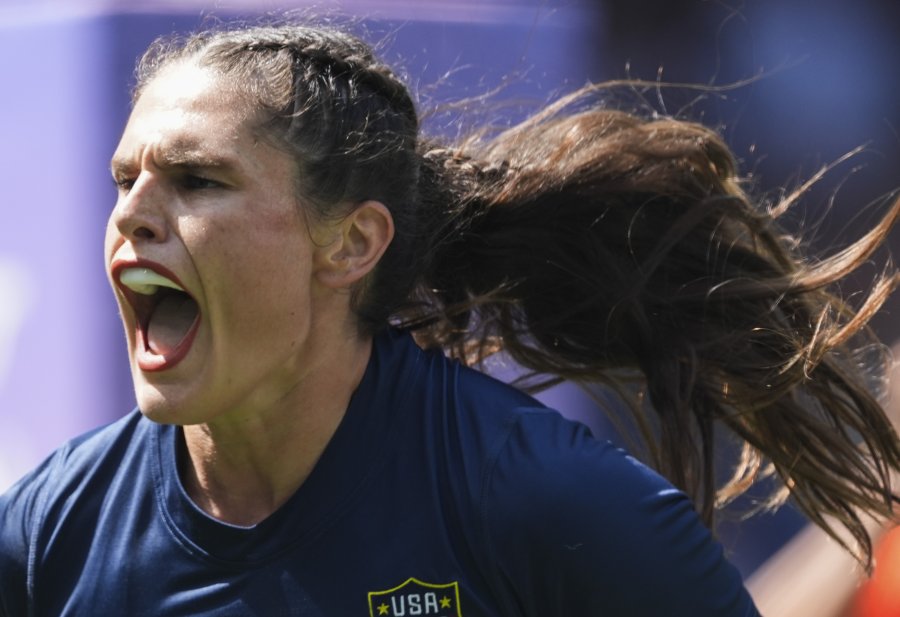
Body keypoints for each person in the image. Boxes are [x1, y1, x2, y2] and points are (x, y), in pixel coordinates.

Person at [1, 21, 898, 616]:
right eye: (126, 180)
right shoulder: (51, 532)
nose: (132, 215)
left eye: (198, 180)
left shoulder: (544, 501)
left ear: (351, 243)